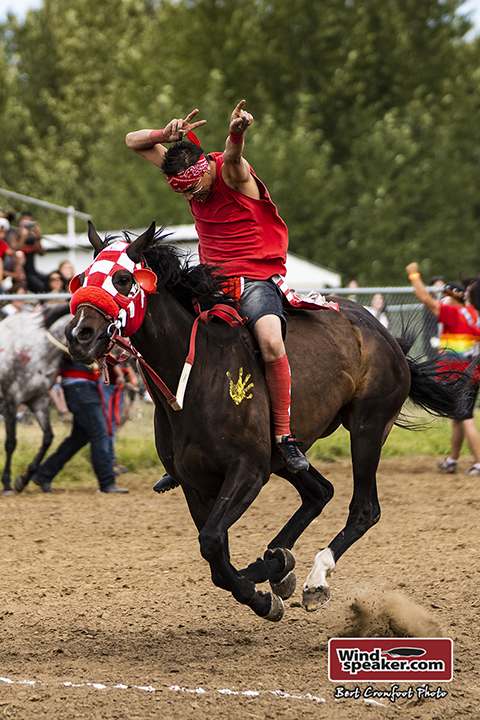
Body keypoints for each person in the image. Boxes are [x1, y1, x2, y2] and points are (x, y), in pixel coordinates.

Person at [126, 100, 309, 475]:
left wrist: (237, 132)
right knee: (163, 336)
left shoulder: (231, 173)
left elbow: (233, 154)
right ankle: (180, 446)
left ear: (207, 170)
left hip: (256, 279)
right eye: (184, 194)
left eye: (195, 188)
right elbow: (133, 141)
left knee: (272, 342)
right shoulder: (187, 172)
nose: (193, 197)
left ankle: (285, 438)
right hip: (211, 281)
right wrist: (165, 134)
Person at [406, 262, 480, 475]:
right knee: (458, 417)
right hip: (472, 373)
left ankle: (478, 463)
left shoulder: (454, 314)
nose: (442, 300)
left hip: (459, 373)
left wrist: (414, 275)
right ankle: (452, 460)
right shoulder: (473, 314)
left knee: (465, 417)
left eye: (445, 296)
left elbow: (424, 299)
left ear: (455, 297)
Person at [15, 357, 129, 493]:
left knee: (79, 437)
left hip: (86, 386)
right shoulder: (76, 337)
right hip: (79, 387)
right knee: (99, 433)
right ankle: (107, 482)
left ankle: (43, 474)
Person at [16, 213, 47, 293]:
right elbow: (15, 250)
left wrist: (38, 238)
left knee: (49, 279)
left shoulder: (32, 238)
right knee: (40, 286)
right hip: (22, 272)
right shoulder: (15, 235)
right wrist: (23, 237)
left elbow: (42, 253)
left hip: (32, 271)